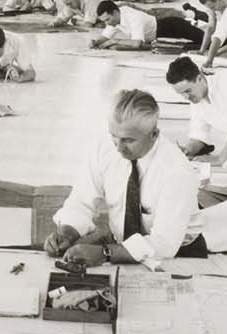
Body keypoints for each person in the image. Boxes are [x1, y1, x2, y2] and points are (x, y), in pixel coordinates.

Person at [43, 90, 204, 269]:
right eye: (114, 136)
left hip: (177, 254)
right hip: (119, 246)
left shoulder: (176, 171)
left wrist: (105, 253)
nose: (118, 147)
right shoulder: (103, 147)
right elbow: (81, 200)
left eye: (128, 140)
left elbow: (164, 244)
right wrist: (66, 232)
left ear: (154, 134)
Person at [92, 0, 202, 48]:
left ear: (115, 12)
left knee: (205, 41)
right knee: (199, 43)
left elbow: (137, 43)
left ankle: (200, 15)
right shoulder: (114, 21)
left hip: (171, 25)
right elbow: (105, 37)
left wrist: (115, 41)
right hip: (160, 32)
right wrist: (95, 42)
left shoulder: (131, 16)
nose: (107, 23)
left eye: (107, 19)